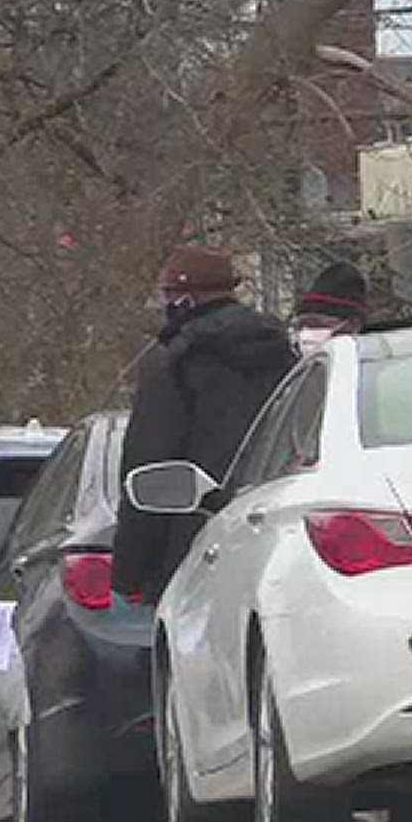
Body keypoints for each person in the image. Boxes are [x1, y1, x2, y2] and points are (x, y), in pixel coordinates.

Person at [114, 246, 295, 604]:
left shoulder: (174, 364)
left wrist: (131, 571)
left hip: (193, 545)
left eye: (166, 295)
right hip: (277, 537)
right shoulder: (287, 358)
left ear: (184, 300)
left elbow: (151, 466)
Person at [288, 261, 370, 356]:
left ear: (353, 324)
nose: (306, 333)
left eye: (318, 324)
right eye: (302, 324)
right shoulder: (297, 367)